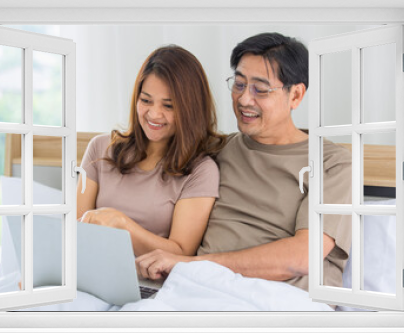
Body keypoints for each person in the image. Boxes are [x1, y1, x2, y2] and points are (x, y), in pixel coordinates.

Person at [136, 33, 352, 295]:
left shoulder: (332, 163)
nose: (244, 99)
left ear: (295, 95)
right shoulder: (217, 151)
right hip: (198, 291)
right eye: (239, 84)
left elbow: (301, 256)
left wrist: (191, 264)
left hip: (280, 300)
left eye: (260, 89)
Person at [77, 45, 226, 258]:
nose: (154, 114)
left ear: (190, 109)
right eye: (146, 101)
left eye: (169, 106)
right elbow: (77, 230)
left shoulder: (201, 171)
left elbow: (182, 252)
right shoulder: (100, 148)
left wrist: (123, 225)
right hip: (92, 268)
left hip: (149, 282)